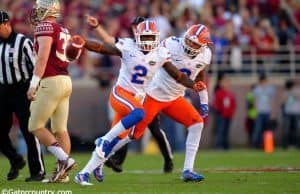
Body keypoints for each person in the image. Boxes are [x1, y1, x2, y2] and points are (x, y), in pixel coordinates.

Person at [75, 24, 212, 185]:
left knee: (197, 123)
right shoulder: (167, 45)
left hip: (175, 97)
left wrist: (202, 96)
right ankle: (97, 160)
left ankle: (188, 170)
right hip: (151, 96)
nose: (190, 46)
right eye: (189, 41)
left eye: (195, 44)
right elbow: (104, 47)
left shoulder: (169, 53)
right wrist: (84, 41)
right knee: (132, 134)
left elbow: (185, 76)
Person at [86, 15, 174, 173]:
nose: (135, 30)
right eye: (134, 27)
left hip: (147, 96)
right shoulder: (128, 44)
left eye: (138, 27)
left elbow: (169, 72)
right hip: (128, 94)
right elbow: (107, 43)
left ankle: (168, 158)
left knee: (153, 129)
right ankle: (115, 159)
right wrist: (95, 29)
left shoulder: (159, 52)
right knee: (125, 127)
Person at [27, 0, 76, 182]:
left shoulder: (45, 27)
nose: (36, 12)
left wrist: (33, 84)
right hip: (65, 80)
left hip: (51, 81)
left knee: (35, 125)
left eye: (39, 8)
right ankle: (62, 174)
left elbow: (42, 58)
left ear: (47, 9)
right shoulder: (63, 29)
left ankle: (64, 159)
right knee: (60, 129)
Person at [0, 10, 45, 182]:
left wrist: (35, 88)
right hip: (3, 90)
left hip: (22, 90)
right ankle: (15, 160)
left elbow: (36, 66)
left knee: (29, 130)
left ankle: (37, 171)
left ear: (6, 24)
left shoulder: (23, 42)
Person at [252, 73, 276, 148]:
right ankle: (255, 145)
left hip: (268, 112)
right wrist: (255, 112)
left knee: (268, 130)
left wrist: (273, 112)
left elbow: (272, 101)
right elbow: (255, 101)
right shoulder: (257, 89)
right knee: (257, 129)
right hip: (259, 112)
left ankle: (267, 145)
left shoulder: (270, 89)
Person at [213, 75, 236, 150]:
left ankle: (226, 145)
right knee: (220, 130)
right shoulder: (219, 93)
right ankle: (219, 145)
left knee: (226, 131)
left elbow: (233, 104)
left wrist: (231, 112)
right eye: (224, 82)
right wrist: (220, 111)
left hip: (228, 116)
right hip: (221, 115)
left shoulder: (230, 94)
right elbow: (216, 104)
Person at [282, 79, 300, 148]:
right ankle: (286, 145)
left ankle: (298, 145)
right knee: (286, 129)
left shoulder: (297, 90)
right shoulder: (286, 92)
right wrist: (288, 93)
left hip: (296, 113)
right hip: (288, 113)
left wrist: (293, 92)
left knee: (297, 130)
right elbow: (283, 101)